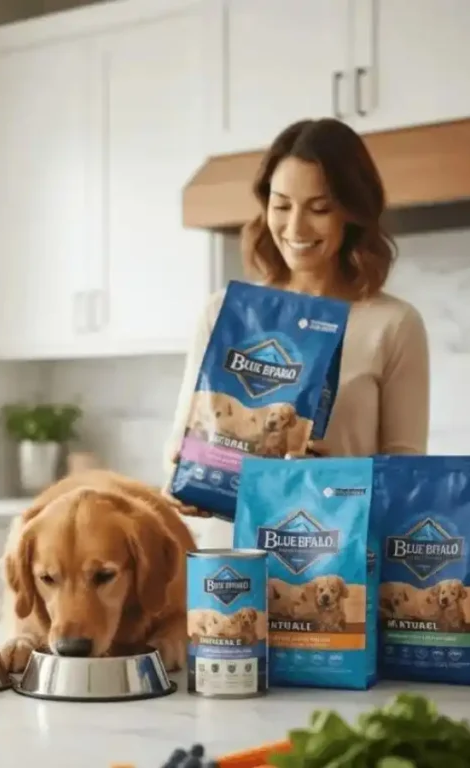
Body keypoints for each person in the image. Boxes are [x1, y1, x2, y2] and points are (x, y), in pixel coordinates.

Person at [163, 118, 430, 546]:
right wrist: (184, 475)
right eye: (281, 205)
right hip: (232, 564)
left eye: (319, 208)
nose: (296, 228)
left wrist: (335, 477)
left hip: (331, 560)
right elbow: (179, 446)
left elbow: (408, 483)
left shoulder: (393, 325)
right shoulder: (224, 312)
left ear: (353, 212)